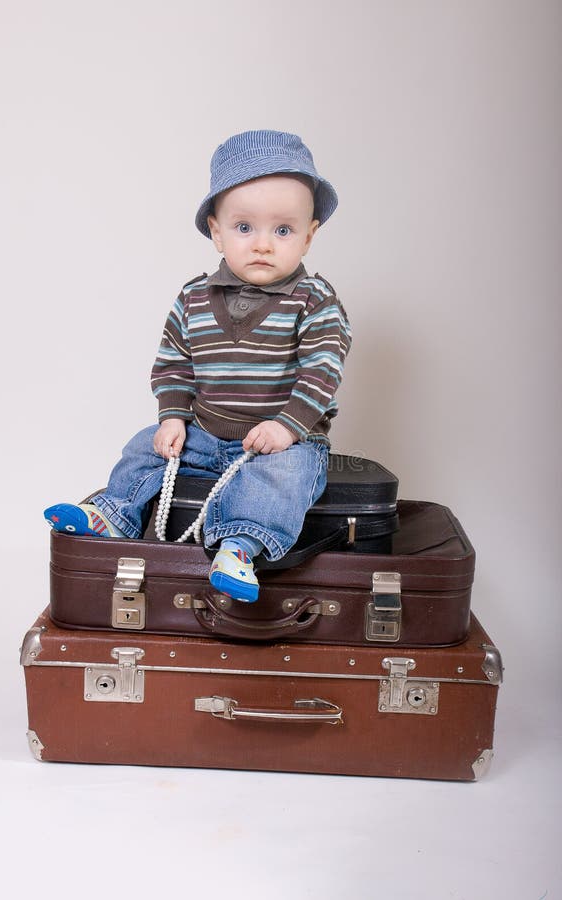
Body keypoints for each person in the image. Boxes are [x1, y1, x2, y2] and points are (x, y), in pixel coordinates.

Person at [45, 129, 351, 603]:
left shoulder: (314, 301)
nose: (263, 244)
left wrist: (287, 427)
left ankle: (240, 547)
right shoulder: (194, 298)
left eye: (283, 231)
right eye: (244, 228)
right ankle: (115, 512)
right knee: (144, 446)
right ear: (216, 232)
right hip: (206, 434)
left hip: (281, 441)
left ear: (309, 236)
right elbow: (174, 361)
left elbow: (322, 371)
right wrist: (173, 417)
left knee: (285, 478)